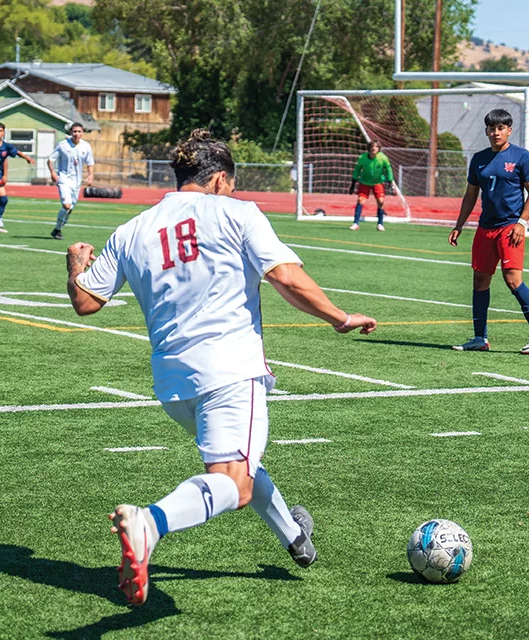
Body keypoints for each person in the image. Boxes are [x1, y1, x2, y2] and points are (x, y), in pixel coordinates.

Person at [65, 129, 377, 606]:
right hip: (230, 371)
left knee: (241, 463)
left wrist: (75, 266)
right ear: (218, 181)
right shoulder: (239, 213)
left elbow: (87, 302)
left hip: (172, 385)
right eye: (231, 185)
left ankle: (295, 537)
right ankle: (150, 522)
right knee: (235, 482)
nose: (233, 192)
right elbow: (285, 277)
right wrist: (340, 317)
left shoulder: (133, 229)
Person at [448, 108, 529, 355]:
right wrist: (459, 225)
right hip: (485, 228)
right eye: (492, 129)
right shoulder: (479, 159)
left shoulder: (521, 157)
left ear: (509, 130)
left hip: (509, 227)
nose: (496, 133)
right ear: (486, 131)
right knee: (480, 281)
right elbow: (471, 194)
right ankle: (480, 338)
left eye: (501, 128)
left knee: (513, 280)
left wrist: (521, 223)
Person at [47, 122, 94, 240]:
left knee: (70, 209)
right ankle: (58, 229)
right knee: (66, 205)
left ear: (82, 133)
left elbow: (90, 163)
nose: (76, 134)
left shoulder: (86, 146)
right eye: (74, 131)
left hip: (76, 182)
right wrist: (52, 172)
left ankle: (57, 229)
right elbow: (51, 159)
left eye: (79, 132)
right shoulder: (63, 145)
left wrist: (90, 176)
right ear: (70, 133)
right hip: (63, 179)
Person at [349, 140, 393, 232]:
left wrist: (390, 182)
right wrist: (353, 183)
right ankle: (356, 223)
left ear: (379, 148)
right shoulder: (362, 158)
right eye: (372, 146)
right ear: (369, 148)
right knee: (360, 200)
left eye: (376, 146)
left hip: (378, 182)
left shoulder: (383, 158)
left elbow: (388, 169)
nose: (374, 148)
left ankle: (380, 224)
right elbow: (357, 170)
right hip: (365, 182)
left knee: (380, 202)